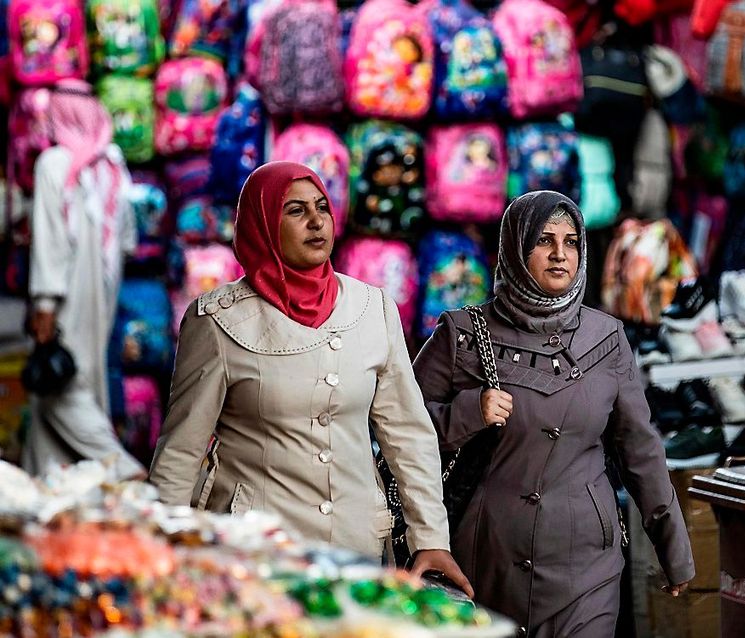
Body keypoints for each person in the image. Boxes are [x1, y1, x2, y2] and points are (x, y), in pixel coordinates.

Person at [148, 162, 470, 592]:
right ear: (262, 224)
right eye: (295, 211)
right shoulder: (217, 321)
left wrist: (431, 537)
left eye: (322, 207)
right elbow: (181, 450)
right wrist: (158, 551)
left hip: (356, 548)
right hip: (255, 555)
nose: (317, 222)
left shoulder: (372, 309)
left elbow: (408, 434)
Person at [413, 190, 694, 636]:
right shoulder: (461, 335)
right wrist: (471, 411)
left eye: (572, 242)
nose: (561, 254)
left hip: (586, 568)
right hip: (483, 566)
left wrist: (673, 549)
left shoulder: (607, 338)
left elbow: (640, 449)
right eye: (544, 240)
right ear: (516, 248)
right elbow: (400, 433)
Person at [23, 79, 144, 481]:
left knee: (62, 384)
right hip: (103, 288)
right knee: (61, 380)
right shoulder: (111, 163)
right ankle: (47, 481)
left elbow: (51, 239)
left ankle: (119, 466)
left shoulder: (54, 163)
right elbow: (127, 239)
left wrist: (44, 303)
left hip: (66, 292)